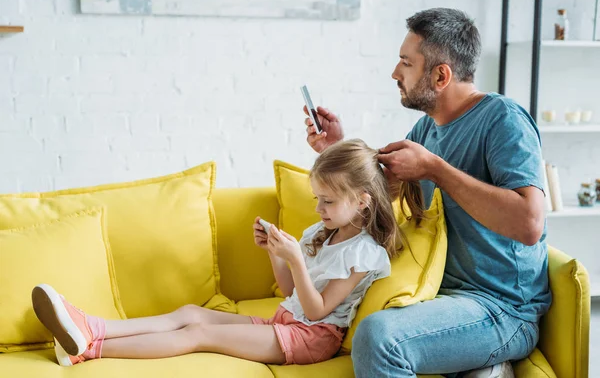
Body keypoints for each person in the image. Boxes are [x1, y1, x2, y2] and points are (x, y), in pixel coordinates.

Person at [304, 8, 551, 378]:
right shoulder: (426, 130)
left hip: (502, 308)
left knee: (379, 337)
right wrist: (336, 150)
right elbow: (372, 197)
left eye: (406, 62)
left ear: (440, 75)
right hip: (438, 298)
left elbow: (530, 223)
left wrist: (435, 169)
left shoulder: (503, 119)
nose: (394, 73)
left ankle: (488, 361)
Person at [31, 139, 423, 368]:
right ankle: (93, 326)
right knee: (191, 313)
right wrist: (276, 252)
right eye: (316, 199)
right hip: (289, 321)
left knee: (199, 333)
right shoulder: (322, 231)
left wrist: (298, 259)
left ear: (362, 203)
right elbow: (288, 290)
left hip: (313, 338)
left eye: (328, 202)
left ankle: (91, 348)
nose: (318, 210)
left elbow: (319, 310)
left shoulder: (365, 253)